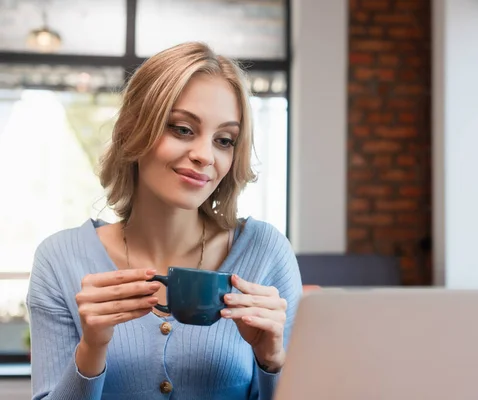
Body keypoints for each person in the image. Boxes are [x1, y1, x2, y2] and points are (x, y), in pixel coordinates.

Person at [26, 41, 302, 400]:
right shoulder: (59, 258)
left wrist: (273, 362)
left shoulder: (266, 252)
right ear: (132, 130)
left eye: (224, 140)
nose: (205, 155)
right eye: (182, 129)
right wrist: (91, 350)